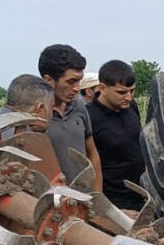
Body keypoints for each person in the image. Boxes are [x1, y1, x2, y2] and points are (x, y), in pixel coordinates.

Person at [38, 44, 103, 190]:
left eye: (79, 81)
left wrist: (98, 197)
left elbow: (92, 154)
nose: (77, 88)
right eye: (71, 82)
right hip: (52, 204)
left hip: (84, 201)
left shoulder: (79, 107)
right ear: (48, 80)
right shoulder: (35, 118)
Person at [86, 60, 146, 211]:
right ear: (102, 88)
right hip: (113, 203)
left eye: (132, 91)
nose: (129, 97)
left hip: (141, 196)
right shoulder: (89, 116)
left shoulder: (131, 107)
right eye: (121, 92)